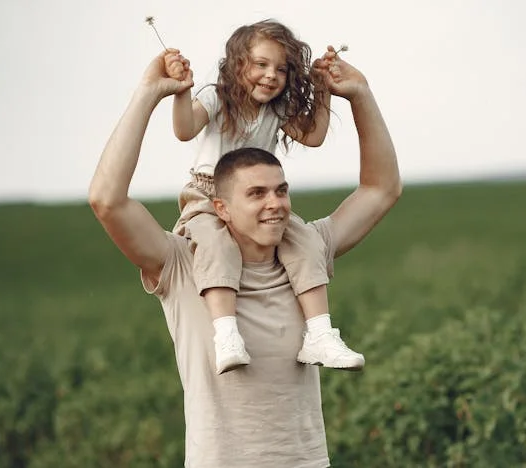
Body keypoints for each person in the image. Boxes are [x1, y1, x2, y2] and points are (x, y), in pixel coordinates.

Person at [88, 44, 401, 466]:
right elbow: (107, 201)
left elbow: (380, 189)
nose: (275, 203)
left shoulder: (307, 248)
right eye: (256, 193)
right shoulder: (182, 262)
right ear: (220, 207)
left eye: (281, 190)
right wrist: (148, 93)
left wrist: (361, 94)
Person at [163, 20, 364, 374]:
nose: (271, 75)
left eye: (282, 69)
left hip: (259, 203)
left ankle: (319, 333)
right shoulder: (216, 97)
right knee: (216, 245)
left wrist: (324, 88)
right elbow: (184, 129)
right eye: (261, 64)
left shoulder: (276, 110)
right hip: (208, 195)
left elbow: (314, 135)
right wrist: (181, 91)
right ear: (237, 64)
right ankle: (226, 334)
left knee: (304, 240)